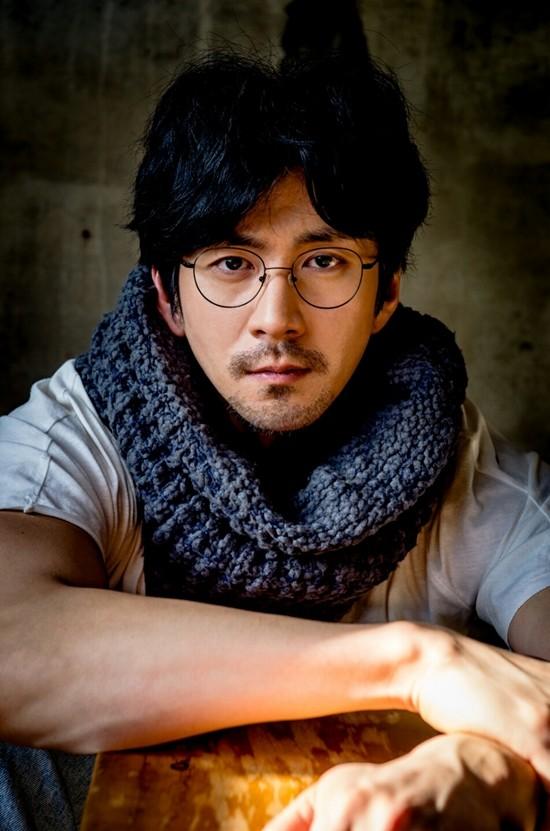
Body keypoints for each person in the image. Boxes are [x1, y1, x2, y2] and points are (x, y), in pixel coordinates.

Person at [0, 51, 549, 831]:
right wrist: (419, 663)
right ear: (168, 294)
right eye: (232, 262)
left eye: (323, 260)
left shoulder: (458, 464)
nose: (275, 319)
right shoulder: (78, 436)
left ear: (387, 290)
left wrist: (487, 766)